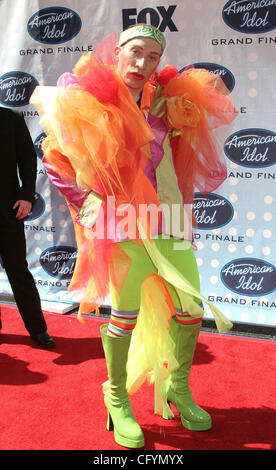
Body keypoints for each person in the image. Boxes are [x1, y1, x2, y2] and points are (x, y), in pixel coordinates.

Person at [31, 24, 237, 447]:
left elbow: (180, 162)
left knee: (192, 310)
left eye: (153, 57)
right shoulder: (87, 97)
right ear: (118, 52)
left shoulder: (171, 100)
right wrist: (91, 207)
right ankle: (117, 397)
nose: (143, 64)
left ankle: (178, 388)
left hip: (171, 220)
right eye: (136, 52)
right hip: (123, 221)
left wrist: (185, 213)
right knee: (123, 316)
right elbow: (54, 156)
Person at [0, 107, 55, 349]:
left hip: (7, 208)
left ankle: (38, 328)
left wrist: (26, 196)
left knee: (18, 270)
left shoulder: (10, 119)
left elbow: (27, 160)